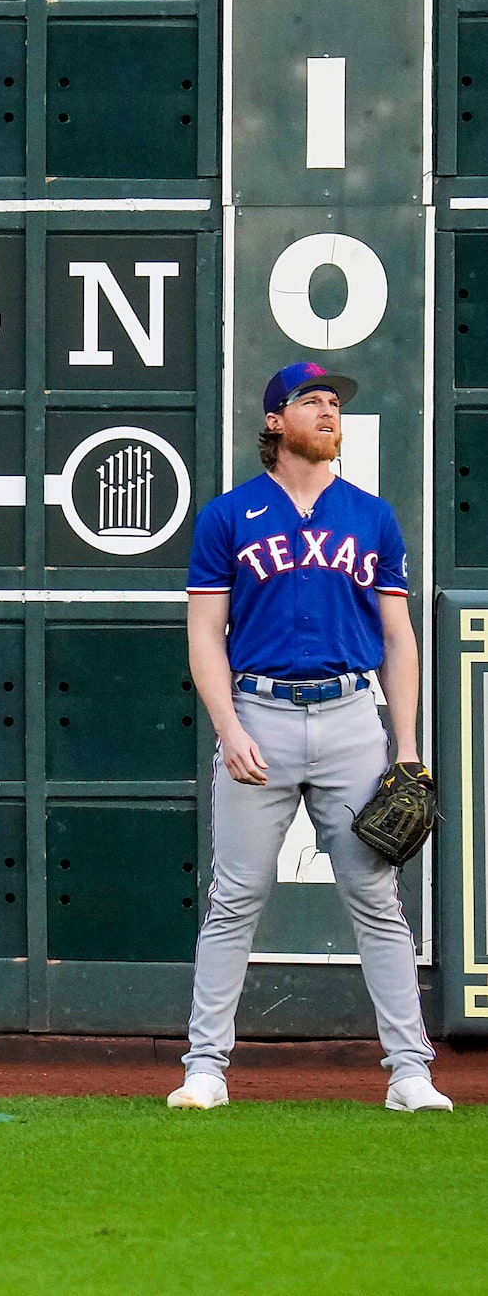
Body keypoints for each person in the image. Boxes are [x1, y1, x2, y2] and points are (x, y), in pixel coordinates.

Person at [168, 361, 449, 1112]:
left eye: (334, 402)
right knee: (235, 897)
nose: (329, 411)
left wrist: (409, 748)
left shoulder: (371, 516)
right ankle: (205, 1067)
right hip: (257, 711)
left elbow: (398, 638)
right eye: (311, 401)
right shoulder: (229, 517)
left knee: (376, 897)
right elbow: (204, 636)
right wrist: (227, 728)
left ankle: (410, 1073)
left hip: (352, 718)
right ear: (273, 423)